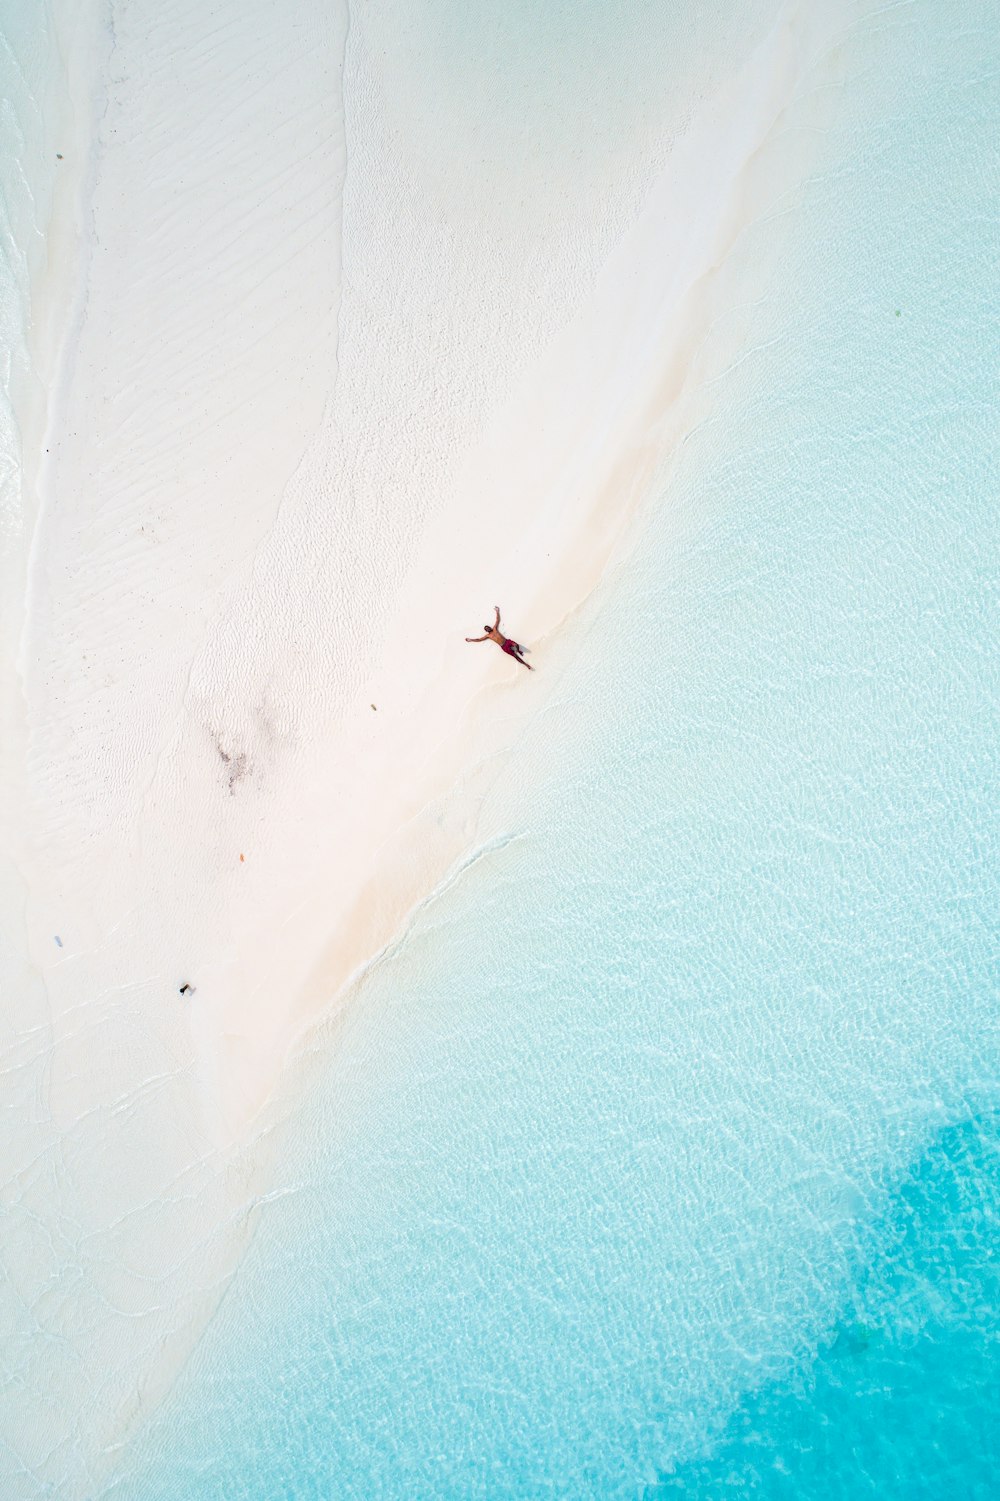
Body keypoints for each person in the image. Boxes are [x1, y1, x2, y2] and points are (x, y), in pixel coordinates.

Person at [466, 605, 533, 669]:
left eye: (488, 627)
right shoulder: (488, 636)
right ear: (486, 631)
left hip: (507, 641)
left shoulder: (494, 628)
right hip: (503, 646)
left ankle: (518, 650)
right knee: (515, 656)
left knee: (516, 645)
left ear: (490, 627)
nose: (488, 628)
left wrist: (497, 611)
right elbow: (479, 639)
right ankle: (526, 665)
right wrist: (470, 640)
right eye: (486, 629)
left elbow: (497, 620)